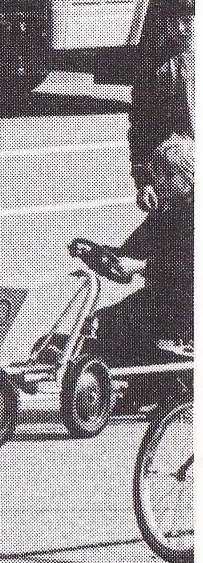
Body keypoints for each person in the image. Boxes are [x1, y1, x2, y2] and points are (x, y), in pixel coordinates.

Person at [84, 134, 194, 408]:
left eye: (167, 176)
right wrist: (102, 255)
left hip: (189, 303)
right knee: (104, 321)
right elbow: (132, 250)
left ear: (187, 176)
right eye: (158, 176)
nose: (159, 183)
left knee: (120, 322)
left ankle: (153, 388)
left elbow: (188, 267)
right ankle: (140, 387)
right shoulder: (167, 210)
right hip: (168, 296)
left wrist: (143, 267)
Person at [129, 0, 194, 161]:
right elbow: (140, 126)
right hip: (180, 163)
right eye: (173, 22)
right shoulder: (157, 70)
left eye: (187, 21)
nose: (180, 29)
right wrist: (142, 178)